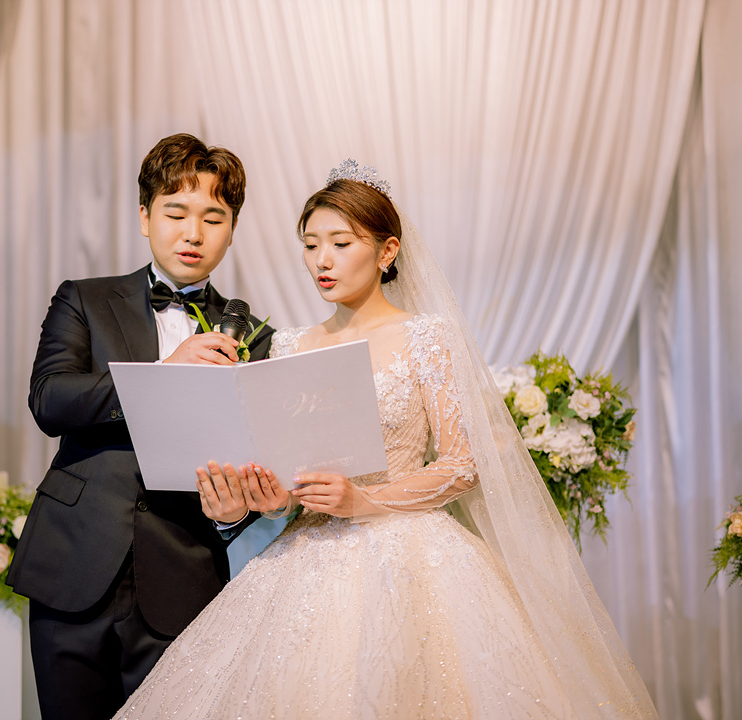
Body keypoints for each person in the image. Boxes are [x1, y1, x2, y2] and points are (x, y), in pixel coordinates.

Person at [113, 160, 658, 719]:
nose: (322, 260)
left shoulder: (426, 337)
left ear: (387, 250)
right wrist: (271, 499)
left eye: (340, 243)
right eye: (310, 245)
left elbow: (462, 463)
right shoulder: (290, 344)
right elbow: (287, 481)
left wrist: (365, 499)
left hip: (410, 549)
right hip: (304, 555)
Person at [6, 133, 275, 720]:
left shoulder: (255, 336)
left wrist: (238, 511)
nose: (193, 233)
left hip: (183, 574)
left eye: (213, 218)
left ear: (233, 229)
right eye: (175, 213)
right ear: (145, 216)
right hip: (74, 563)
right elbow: (49, 400)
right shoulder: (84, 299)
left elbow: (256, 458)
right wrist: (163, 373)